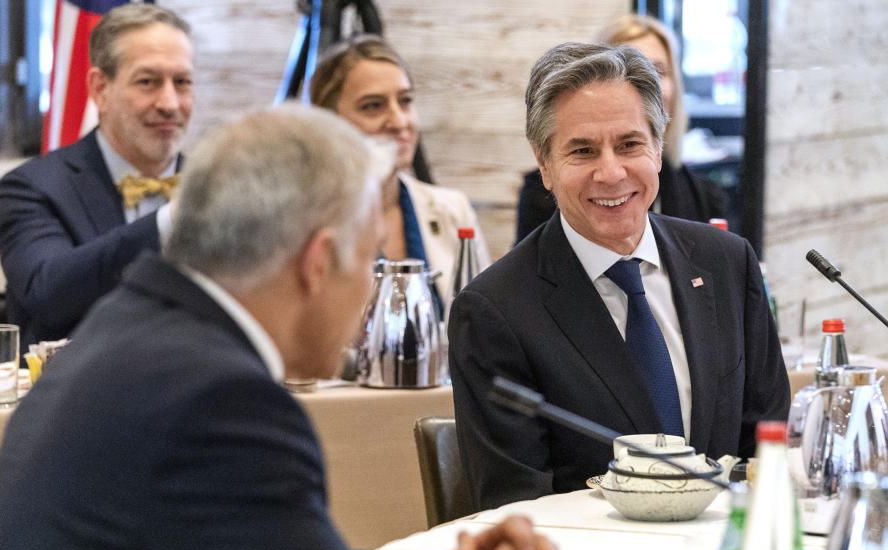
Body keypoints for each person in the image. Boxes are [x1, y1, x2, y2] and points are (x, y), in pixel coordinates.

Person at [0, 105, 566, 550]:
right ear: (318, 262)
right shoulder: (217, 400)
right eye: (369, 263)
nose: (367, 297)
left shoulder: (135, 328)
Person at [449, 43, 789, 510]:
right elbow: (515, 505)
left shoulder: (727, 263)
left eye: (629, 144)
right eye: (583, 151)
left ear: (658, 144)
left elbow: (768, 449)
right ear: (544, 164)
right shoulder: (495, 310)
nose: (611, 173)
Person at [0, 4, 194, 348]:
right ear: (100, 89)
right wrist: (168, 221)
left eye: (182, 82)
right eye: (148, 82)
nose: (170, 103)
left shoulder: (219, 189)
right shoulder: (32, 188)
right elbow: (49, 294)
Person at [309, 35, 490, 310]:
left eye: (405, 101)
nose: (399, 121)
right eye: (373, 106)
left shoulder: (453, 209)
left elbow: (482, 324)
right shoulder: (302, 223)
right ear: (328, 121)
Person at [514, 14, 728, 243]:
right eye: (584, 150)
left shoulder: (703, 195)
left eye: (658, 71)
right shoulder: (544, 193)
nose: (644, 83)